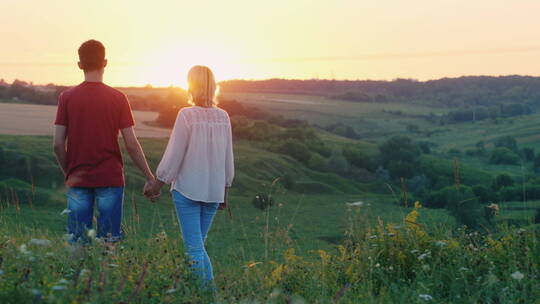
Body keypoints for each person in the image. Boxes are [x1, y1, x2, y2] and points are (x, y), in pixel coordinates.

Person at [53, 39, 157, 243]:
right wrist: (150, 177)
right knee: (108, 240)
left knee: (77, 239)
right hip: (110, 178)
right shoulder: (118, 98)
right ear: (105, 63)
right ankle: (105, 276)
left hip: (78, 179)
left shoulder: (67, 97)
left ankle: (79, 275)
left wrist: (70, 172)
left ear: (79, 65)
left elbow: (57, 144)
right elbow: (132, 144)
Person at [145, 65, 234, 289]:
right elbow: (227, 158)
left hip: (188, 190)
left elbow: (175, 154)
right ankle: (193, 291)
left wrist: (157, 184)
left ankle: (208, 295)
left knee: (194, 248)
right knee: (198, 246)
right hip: (214, 192)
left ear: (190, 86)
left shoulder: (187, 115)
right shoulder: (223, 117)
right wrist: (224, 191)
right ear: (213, 86)